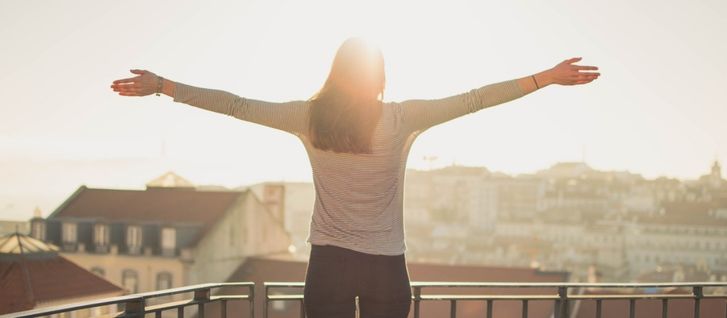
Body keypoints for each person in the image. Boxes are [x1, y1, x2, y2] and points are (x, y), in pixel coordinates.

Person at [111, 37, 599, 318]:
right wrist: (544, 77)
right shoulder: (401, 117)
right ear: (379, 77)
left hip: (328, 265)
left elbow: (235, 105)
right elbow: (474, 99)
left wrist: (163, 87)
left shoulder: (309, 117)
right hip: (387, 267)